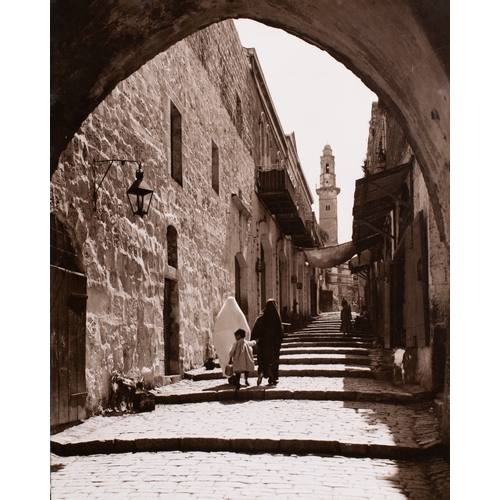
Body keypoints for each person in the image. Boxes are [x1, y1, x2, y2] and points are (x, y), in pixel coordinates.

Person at [250, 299, 284, 386]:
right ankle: (272, 378)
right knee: (272, 361)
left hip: (263, 344)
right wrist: (279, 342)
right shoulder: (276, 318)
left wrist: (254, 340)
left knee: (263, 360)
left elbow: (254, 331)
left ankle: (261, 372)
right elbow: (280, 332)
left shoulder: (260, 319)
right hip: (273, 344)